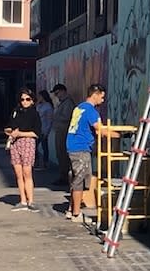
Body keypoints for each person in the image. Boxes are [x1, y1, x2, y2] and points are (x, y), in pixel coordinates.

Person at [65, 83, 115, 222]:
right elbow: (100, 130)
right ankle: (76, 213)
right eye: (102, 97)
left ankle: (71, 209)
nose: (103, 100)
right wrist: (121, 135)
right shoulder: (91, 111)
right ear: (95, 95)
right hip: (81, 148)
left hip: (73, 146)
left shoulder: (79, 107)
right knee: (80, 180)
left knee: (76, 178)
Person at [5, 88, 42, 212]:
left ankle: (31, 200)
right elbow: (10, 126)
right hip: (15, 143)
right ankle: (23, 200)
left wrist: (20, 133)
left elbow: (36, 133)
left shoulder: (34, 114)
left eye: (27, 99)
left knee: (27, 172)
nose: (25, 102)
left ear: (32, 100)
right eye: (22, 99)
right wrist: (10, 132)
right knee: (18, 174)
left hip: (27, 142)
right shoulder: (16, 111)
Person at [51, 83, 75, 186]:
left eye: (57, 93)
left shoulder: (68, 103)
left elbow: (67, 117)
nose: (57, 96)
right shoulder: (62, 103)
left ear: (63, 91)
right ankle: (63, 175)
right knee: (60, 154)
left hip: (64, 131)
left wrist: (56, 118)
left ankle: (65, 176)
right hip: (60, 130)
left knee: (63, 154)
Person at [35, 89, 54, 170]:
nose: (38, 97)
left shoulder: (48, 106)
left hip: (43, 129)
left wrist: (47, 131)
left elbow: (49, 120)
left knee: (44, 146)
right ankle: (37, 162)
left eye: (39, 96)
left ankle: (45, 163)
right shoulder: (39, 105)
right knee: (34, 146)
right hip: (37, 128)